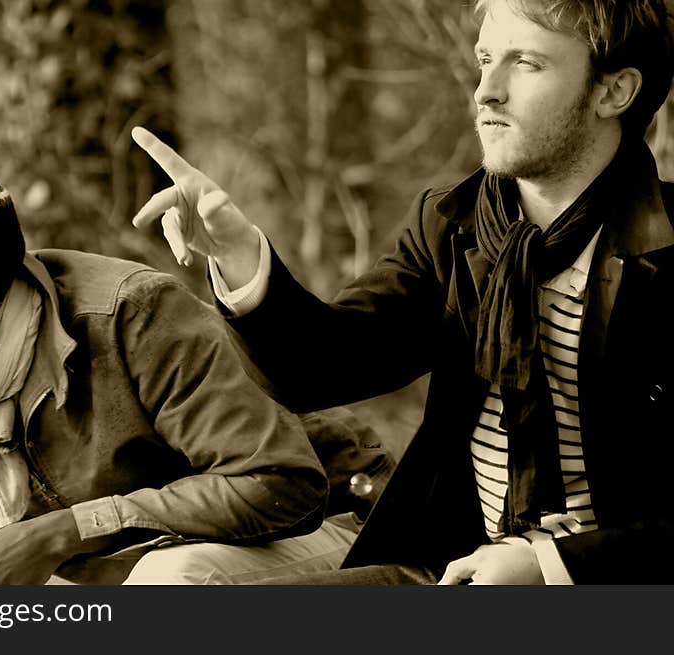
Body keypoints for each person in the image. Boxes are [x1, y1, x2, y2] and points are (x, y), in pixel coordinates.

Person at [131, 0, 674, 584]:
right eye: (486, 59)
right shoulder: (455, 227)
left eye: (528, 64)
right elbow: (320, 369)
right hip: (450, 566)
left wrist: (550, 565)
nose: (486, 91)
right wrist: (240, 256)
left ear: (613, 92)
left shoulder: (665, 255)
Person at [0, 163, 380, 585]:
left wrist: (66, 531)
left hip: (329, 535)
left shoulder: (136, 317)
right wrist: (71, 538)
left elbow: (282, 484)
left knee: (173, 579)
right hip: (112, 572)